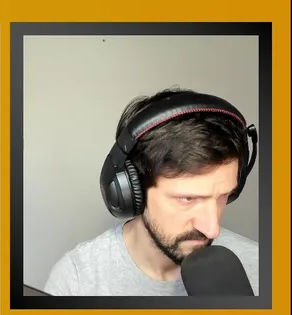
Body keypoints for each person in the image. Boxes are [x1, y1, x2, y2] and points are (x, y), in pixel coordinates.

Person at [44, 88, 259, 297]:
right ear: (132, 191)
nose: (212, 230)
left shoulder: (261, 268)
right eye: (187, 198)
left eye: (223, 196)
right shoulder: (77, 281)